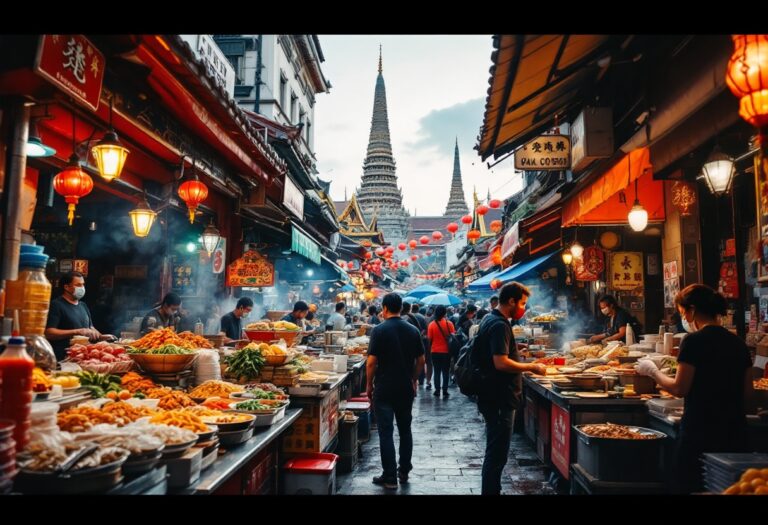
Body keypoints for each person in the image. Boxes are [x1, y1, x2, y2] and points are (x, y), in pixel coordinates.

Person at [636, 284, 752, 493]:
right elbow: (749, 397)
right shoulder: (738, 343)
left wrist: (653, 372)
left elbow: (680, 388)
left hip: (700, 431)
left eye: (682, 312)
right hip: (734, 432)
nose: (684, 318)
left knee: (691, 486)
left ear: (692, 310)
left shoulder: (694, 341)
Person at [474, 282, 547, 495]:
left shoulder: (491, 318)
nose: (524, 308)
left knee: (495, 452)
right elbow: (501, 362)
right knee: (496, 455)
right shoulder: (499, 325)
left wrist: (516, 347)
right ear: (512, 301)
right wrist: (532, 366)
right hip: (499, 397)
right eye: (522, 303)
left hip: (492, 395)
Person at [366, 293, 425, 490]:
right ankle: (404, 471)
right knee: (405, 429)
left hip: (384, 387)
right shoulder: (413, 330)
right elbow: (421, 361)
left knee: (386, 432)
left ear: (384, 308)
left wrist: (369, 384)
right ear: (401, 308)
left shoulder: (379, 330)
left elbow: (372, 362)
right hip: (404, 387)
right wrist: (414, 380)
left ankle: (390, 477)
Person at [45, 271, 116, 360]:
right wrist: (77, 331)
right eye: (78, 285)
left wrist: (102, 337)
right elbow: (49, 333)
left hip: (83, 356)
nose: (82, 288)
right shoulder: (57, 305)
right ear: (66, 287)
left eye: (83, 284)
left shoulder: (83, 305)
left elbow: (90, 328)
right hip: (64, 357)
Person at [427, 305, 456, 398]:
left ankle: (437, 390)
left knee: (437, 371)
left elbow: (429, 339)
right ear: (445, 313)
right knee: (445, 372)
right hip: (447, 351)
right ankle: (445, 390)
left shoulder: (431, 325)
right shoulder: (449, 324)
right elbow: (453, 337)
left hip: (435, 351)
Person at [411, 304, 432, 389]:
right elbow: (425, 329)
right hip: (422, 341)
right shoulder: (422, 317)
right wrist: (420, 334)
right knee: (421, 359)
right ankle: (421, 379)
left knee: (414, 360)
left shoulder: (408, 317)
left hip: (412, 342)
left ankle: (414, 379)